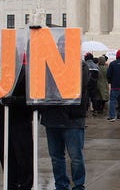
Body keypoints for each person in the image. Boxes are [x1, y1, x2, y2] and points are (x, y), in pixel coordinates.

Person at [39, 57, 89, 190]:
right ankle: (61, 185)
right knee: (56, 157)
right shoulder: (48, 66)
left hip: (72, 119)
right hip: (52, 118)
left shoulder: (81, 66)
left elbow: (75, 86)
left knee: (76, 157)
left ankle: (78, 185)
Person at [0, 63, 34, 190]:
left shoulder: (24, 72)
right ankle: (10, 183)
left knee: (23, 156)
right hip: (1, 120)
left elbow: (32, 97)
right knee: (6, 155)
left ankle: (25, 185)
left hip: (20, 121)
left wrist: (16, 100)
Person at [107, 49, 120, 121]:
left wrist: (110, 82)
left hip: (115, 86)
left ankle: (112, 116)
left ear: (116, 56)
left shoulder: (112, 64)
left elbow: (108, 75)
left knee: (112, 102)